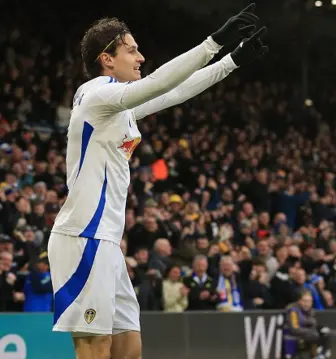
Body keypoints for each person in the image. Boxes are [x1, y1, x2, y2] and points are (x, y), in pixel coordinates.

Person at [47, 4, 268, 359]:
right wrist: (214, 43)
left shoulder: (118, 106)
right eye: (131, 50)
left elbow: (174, 92)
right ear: (107, 59)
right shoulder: (96, 95)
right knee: (95, 348)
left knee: (129, 349)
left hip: (106, 242)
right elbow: (159, 82)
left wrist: (233, 61)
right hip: (83, 236)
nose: (141, 56)